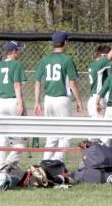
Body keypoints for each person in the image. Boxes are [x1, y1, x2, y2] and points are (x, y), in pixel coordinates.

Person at [34, 31, 83, 162]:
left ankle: (45, 161)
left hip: (48, 99)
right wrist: (79, 101)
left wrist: (37, 102)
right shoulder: (67, 59)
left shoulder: (45, 60)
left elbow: (37, 82)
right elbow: (72, 84)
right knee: (66, 134)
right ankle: (58, 162)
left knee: (51, 133)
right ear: (65, 42)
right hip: (62, 99)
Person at [0, 41, 28, 169]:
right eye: (18, 50)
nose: (20, 52)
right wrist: (20, 102)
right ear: (13, 51)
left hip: (2, 102)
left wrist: (0, 95)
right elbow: (17, 85)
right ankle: (10, 161)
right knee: (22, 137)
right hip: (13, 101)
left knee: (2, 137)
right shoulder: (16, 65)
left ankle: (0, 165)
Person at [87, 45, 112, 118]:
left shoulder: (94, 65)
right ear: (103, 55)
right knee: (100, 127)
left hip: (95, 98)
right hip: (98, 98)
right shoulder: (99, 65)